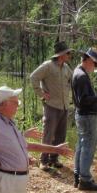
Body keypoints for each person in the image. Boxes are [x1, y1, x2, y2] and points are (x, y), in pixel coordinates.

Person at [30, 41, 74, 170]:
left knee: (61, 134)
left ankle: (54, 159)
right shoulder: (48, 66)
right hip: (51, 106)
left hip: (64, 106)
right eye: (68, 53)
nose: (69, 55)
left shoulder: (66, 68)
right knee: (48, 134)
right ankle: (43, 161)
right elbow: (33, 77)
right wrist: (41, 93)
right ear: (61, 54)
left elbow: (73, 81)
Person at [72, 47, 97, 191]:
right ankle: (84, 179)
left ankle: (78, 175)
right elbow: (84, 100)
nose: (95, 67)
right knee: (88, 146)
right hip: (87, 116)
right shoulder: (82, 76)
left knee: (81, 144)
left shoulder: (78, 72)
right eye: (95, 63)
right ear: (89, 60)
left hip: (82, 115)